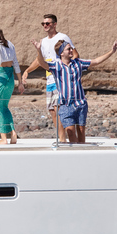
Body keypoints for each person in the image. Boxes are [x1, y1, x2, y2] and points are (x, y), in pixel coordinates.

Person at [32, 38, 117, 143]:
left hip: (80, 104)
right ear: (62, 53)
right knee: (71, 133)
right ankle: (74, 156)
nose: (71, 50)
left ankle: (82, 155)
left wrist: (111, 51)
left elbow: (96, 61)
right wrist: (39, 50)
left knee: (81, 133)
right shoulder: (56, 65)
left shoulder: (78, 63)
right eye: (68, 49)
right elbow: (42, 63)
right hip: (65, 104)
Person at [22, 14, 78, 142]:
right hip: (50, 80)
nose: (45, 26)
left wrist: (67, 69)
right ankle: (61, 138)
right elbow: (39, 60)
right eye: (43, 24)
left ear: (54, 24)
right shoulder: (43, 41)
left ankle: (68, 139)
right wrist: (28, 70)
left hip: (61, 80)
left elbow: (75, 55)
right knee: (52, 110)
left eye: (47, 23)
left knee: (61, 108)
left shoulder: (62, 37)